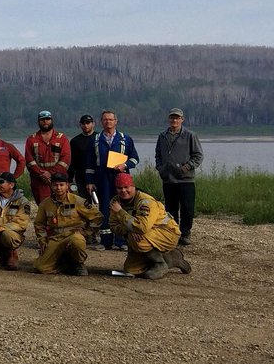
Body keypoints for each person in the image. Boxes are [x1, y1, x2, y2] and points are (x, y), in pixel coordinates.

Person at [108, 173, 192, 279]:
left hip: (167, 232)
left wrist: (121, 212)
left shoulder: (145, 202)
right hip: (140, 234)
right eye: (120, 188)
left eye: (126, 187)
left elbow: (142, 227)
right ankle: (171, 258)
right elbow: (113, 225)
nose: (123, 191)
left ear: (133, 186)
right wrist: (129, 230)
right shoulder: (115, 202)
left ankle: (159, 263)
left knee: (139, 240)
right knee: (130, 270)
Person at [85, 110, 139, 250]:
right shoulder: (96, 140)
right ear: (101, 122)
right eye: (105, 119)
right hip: (102, 179)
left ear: (116, 121)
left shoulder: (125, 139)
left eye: (110, 119)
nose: (108, 122)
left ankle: (121, 241)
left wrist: (125, 165)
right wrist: (89, 181)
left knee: (122, 207)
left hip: (120, 178)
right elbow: (90, 164)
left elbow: (134, 158)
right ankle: (105, 241)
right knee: (104, 208)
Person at [33, 173, 102, 276]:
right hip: (55, 238)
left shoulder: (77, 201)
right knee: (41, 268)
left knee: (77, 241)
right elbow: (39, 224)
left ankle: (78, 263)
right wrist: (43, 241)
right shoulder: (45, 204)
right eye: (55, 185)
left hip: (73, 235)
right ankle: (64, 263)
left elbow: (97, 217)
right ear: (51, 186)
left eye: (61, 185)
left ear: (67, 186)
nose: (58, 188)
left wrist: (87, 233)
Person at [155, 108, 203, 246]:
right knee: (170, 209)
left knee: (187, 208)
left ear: (182, 119)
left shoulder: (190, 135)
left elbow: (198, 156)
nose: (174, 120)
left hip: (186, 179)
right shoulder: (162, 136)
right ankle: (173, 233)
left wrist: (187, 167)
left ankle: (185, 233)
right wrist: (160, 168)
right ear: (169, 119)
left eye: (177, 118)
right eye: (172, 118)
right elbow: (158, 154)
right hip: (168, 179)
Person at [23, 110, 72, 203]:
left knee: (64, 206)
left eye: (47, 119)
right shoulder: (32, 139)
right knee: (44, 208)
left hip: (59, 180)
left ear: (52, 120)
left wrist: (50, 174)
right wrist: (42, 174)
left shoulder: (62, 138)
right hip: (40, 181)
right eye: (42, 119)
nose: (45, 121)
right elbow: (29, 161)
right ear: (38, 121)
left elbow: (66, 160)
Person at [68, 115, 96, 200]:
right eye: (83, 123)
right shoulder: (75, 141)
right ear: (80, 125)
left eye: (88, 123)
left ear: (93, 124)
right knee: (84, 204)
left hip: (98, 175)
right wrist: (69, 179)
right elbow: (72, 162)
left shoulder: (99, 138)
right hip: (81, 177)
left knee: (101, 203)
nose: (86, 125)